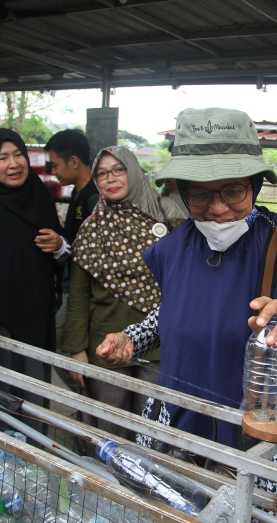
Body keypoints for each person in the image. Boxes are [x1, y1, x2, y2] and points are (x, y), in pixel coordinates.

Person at [96, 108, 277, 453]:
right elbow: (175, 312)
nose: (218, 208)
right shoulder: (173, 247)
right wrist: (133, 338)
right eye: (199, 194)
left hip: (254, 444)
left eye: (233, 191)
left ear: (255, 184)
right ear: (183, 191)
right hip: (172, 432)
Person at [61, 145, 185, 441]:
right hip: (105, 344)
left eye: (119, 170)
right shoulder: (91, 229)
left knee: (151, 431)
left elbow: (187, 280)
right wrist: (76, 349)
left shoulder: (168, 217)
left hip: (159, 342)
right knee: (109, 430)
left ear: (135, 172)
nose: (111, 178)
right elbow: (78, 294)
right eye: (102, 174)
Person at [0, 128, 68, 413]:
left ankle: (32, 441)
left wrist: (60, 244)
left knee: (32, 393)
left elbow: (61, 255)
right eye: (3, 158)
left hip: (37, 314)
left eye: (18, 155)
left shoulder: (39, 196)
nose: (13, 164)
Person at [44, 129, 98, 248]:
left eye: (55, 166)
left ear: (74, 162)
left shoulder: (95, 198)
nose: (53, 172)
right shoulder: (77, 191)